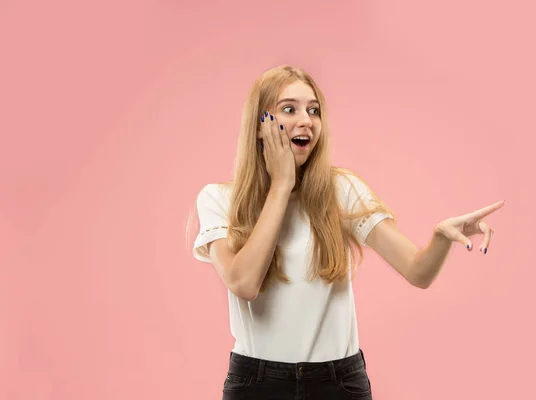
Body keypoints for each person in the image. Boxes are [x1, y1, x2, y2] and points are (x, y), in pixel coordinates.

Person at [189, 65, 504, 399]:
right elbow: (244, 283)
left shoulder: (341, 189)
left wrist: (440, 237)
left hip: (337, 382)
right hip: (258, 384)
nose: (306, 120)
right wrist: (281, 185)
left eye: (314, 110)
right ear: (259, 126)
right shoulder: (218, 199)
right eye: (289, 108)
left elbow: (418, 271)